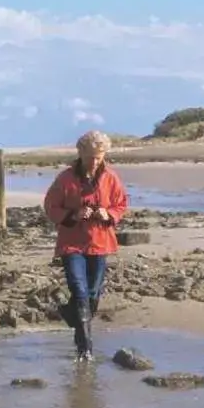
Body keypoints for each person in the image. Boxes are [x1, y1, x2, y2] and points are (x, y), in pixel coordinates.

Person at [43, 131, 128, 361]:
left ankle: (66, 312)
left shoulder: (111, 178)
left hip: (100, 243)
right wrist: (74, 214)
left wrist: (107, 213)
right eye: (91, 157)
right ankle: (85, 350)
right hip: (72, 244)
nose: (94, 162)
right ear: (80, 154)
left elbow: (121, 204)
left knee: (92, 295)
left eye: (99, 157)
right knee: (80, 293)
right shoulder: (65, 179)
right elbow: (51, 206)